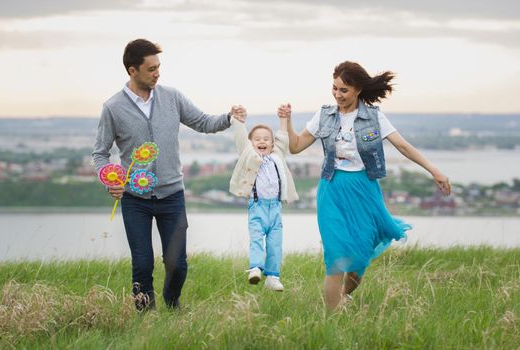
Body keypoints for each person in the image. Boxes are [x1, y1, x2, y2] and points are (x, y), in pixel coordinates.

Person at [278, 60, 451, 310]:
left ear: (358, 89)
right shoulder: (324, 115)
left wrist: (434, 170)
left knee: (358, 261)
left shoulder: (373, 117)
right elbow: (295, 147)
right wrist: (287, 120)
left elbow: (402, 146)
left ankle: (345, 296)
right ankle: (332, 319)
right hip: (332, 188)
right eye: (335, 88)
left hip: (364, 189)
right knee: (336, 258)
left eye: (344, 90)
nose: (338, 95)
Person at [92, 38, 247, 311]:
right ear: (132, 71)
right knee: (142, 264)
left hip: (172, 194)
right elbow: (100, 153)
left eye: (158, 67)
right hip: (134, 198)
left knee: (177, 263)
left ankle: (172, 303)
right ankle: (146, 319)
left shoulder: (171, 97)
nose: (157, 73)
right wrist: (110, 180)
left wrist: (228, 117)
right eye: (151, 68)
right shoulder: (113, 108)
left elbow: (202, 122)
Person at [229, 109, 298, 291]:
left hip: (275, 208)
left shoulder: (277, 157)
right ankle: (255, 268)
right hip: (257, 207)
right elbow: (241, 139)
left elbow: (283, 137)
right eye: (257, 139)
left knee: (275, 244)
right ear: (251, 143)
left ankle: (273, 277)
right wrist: (238, 121)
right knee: (257, 239)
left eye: (266, 139)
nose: (262, 141)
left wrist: (283, 118)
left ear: (272, 143)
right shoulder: (249, 155)